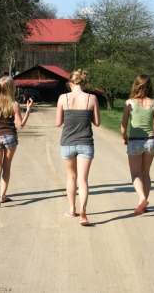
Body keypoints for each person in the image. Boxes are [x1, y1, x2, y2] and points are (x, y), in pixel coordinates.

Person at [56, 69, 100, 226]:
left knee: (71, 177)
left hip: (68, 143)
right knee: (83, 179)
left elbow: (58, 122)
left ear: (70, 83)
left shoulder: (63, 98)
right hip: (86, 143)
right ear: (83, 83)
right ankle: (83, 211)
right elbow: (97, 122)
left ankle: (72, 209)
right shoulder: (92, 98)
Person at [0, 76, 33, 208]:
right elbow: (21, 124)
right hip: (10, 137)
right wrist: (28, 110)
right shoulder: (14, 105)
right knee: (6, 167)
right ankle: (2, 197)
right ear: (11, 88)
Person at [121, 74, 154, 215]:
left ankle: (142, 197)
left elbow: (123, 126)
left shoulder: (129, 103)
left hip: (135, 141)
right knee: (146, 173)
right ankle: (144, 204)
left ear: (136, 85)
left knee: (135, 174)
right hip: (151, 140)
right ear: (149, 86)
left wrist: (124, 136)